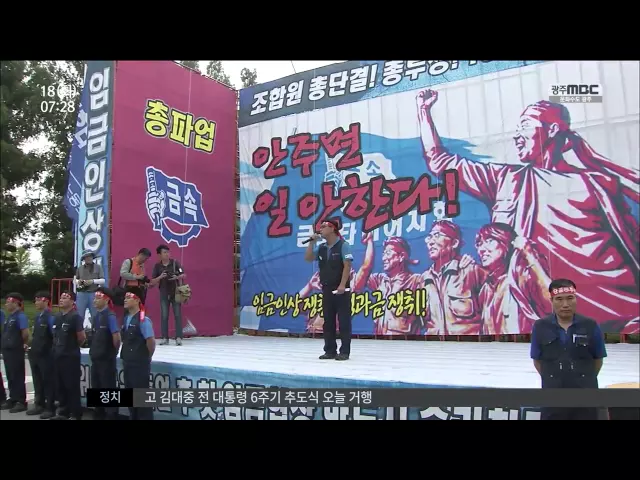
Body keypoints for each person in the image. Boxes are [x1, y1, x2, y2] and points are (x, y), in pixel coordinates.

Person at [416, 90, 639, 332]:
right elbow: (441, 161)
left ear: (552, 129)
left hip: (613, 316)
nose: (516, 136)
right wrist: (423, 111)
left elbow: (630, 242)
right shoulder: (507, 179)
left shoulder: (598, 185)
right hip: (535, 317)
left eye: (525, 126)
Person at [530, 278, 607, 420]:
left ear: (576, 299)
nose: (565, 304)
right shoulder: (540, 326)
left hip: (585, 397)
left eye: (570, 298)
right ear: (552, 301)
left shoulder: (590, 325)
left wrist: (582, 379)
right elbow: (537, 361)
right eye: (559, 299)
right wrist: (555, 379)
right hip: (552, 397)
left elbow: (598, 360)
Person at [304, 218, 354, 360]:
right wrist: (311, 243)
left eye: (324, 226)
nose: (320, 229)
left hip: (341, 289)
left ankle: (344, 351)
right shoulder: (322, 248)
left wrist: (342, 285)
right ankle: (330, 350)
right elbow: (308, 258)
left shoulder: (343, 245)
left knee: (344, 321)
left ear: (332, 229)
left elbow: (347, 266)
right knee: (328, 321)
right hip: (326, 288)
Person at [51, 292, 86, 420]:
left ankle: (75, 413)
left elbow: (81, 337)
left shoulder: (75, 316)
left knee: (71, 386)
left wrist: (71, 347)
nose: (62, 300)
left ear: (72, 302)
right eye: (61, 297)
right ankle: (63, 411)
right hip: (58, 355)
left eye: (65, 298)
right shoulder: (57, 316)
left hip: (70, 356)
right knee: (60, 385)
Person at [121, 291, 156, 420]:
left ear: (137, 300)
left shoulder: (143, 320)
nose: (125, 300)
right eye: (125, 298)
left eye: (128, 298)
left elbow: (150, 341)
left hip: (139, 364)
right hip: (128, 362)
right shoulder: (126, 318)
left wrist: (146, 356)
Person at [90, 287, 121, 420]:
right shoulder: (97, 316)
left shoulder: (110, 316)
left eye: (98, 298)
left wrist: (113, 352)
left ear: (106, 300)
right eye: (94, 298)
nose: (94, 301)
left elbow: (116, 337)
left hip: (106, 357)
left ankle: (111, 414)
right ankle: (99, 412)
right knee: (96, 385)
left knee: (108, 386)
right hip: (96, 356)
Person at [26, 292, 56, 418]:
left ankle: (50, 407)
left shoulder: (50, 317)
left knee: (47, 381)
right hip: (35, 353)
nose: (36, 303)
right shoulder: (38, 316)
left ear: (46, 301)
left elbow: (54, 336)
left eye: (38, 300)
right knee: (37, 380)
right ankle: (39, 404)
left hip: (46, 354)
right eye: (36, 300)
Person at [150, 244, 186, 345]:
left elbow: (183, 274)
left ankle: (178, 337)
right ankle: (165, 338)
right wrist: (161, 276)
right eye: (164, 252)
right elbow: (152, 281)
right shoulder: (157, 266)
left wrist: (176, 277)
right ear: (159, 255)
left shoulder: (175, 263)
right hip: (164, 293)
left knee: (177, 315)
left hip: (175, 292)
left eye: (168, 252)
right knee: (164, 315)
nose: (167, 254)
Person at [1, 293, 29, 413]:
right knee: (10, 375)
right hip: (7, 350)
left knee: (17, 375)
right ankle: (13, 398)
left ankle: (21, 401)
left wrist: (21, 343)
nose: (6, 304)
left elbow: (25, 333)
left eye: (9, 302)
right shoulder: (9, 317)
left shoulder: (20, 316)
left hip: (15, 349)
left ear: (16, 303)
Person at [74, 250, 106, 325]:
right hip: (82, 293)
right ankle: (79, 331)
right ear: (84, 259)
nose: (89, 258)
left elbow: (103, 280)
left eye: (90, 256)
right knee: (79, 315)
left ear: (92, 257)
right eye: (87, 257)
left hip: (93, 294)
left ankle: (95, 330)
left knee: (95, 315)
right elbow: (75, 280)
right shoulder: (80, 268)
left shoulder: (98, 267)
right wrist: (79, 282)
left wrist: (92, 281)